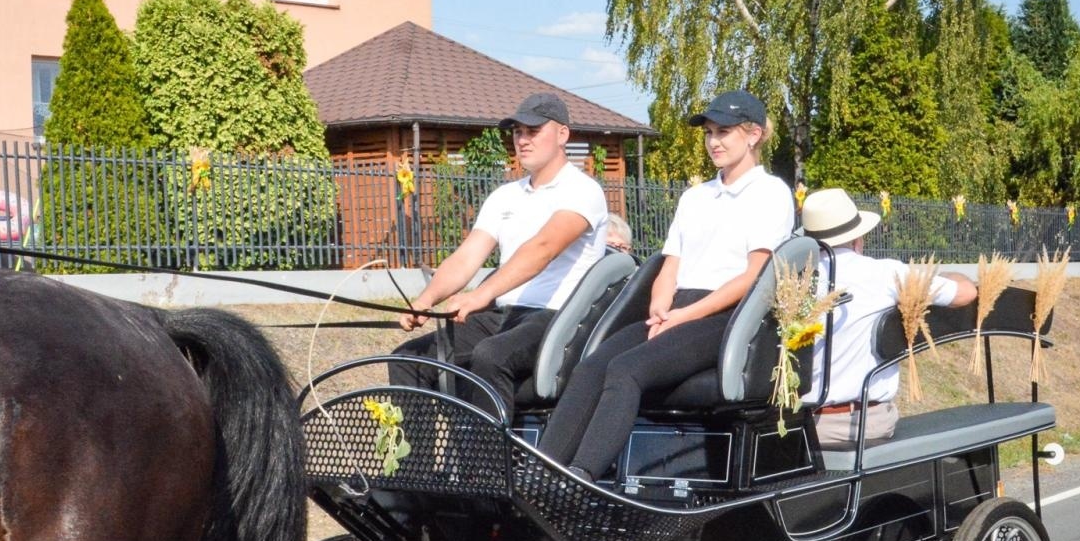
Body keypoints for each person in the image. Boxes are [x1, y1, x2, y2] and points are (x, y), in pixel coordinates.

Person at [540, 89, 794, 482]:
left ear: (754, 134)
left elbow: (752, 277)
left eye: (723, 132)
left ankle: (582, 476)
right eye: (709, 133)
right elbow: (669, 264)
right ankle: (541, 470)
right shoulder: (696, 196)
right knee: (591, 367)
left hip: (726, 315)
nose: (713, 142)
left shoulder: (771, 194)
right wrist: (660, 308)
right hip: (676, 307)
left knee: (627, 370)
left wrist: (681, 316)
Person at [389, 92, 609, 410]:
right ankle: (416, 462)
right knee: (407, 360)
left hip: (558, 318)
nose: (523, 140)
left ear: (563, 134)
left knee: (491, 355)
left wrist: (481, 295)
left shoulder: (583, 191)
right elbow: (467, 257)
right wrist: (426, 301)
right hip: (506, 316)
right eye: (518, 132)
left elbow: (543, 249)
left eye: (533, 131)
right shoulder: (505, 196)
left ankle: (492, 460)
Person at [798, 188, 975, 446]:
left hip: (803, 424)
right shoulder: (883, 274)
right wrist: (951, 276)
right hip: (863, 423)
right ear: (857, 239)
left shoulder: (795, 283)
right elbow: (965, 294)